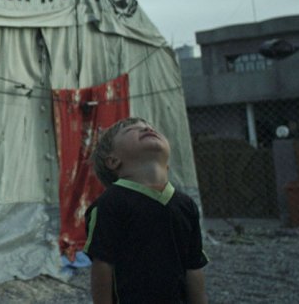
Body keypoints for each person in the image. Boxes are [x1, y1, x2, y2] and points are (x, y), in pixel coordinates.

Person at [84, 117, 208, 304]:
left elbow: (193, 266)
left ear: (167, 163)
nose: (147, 128)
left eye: (150, 127)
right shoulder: (110, 204)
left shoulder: (185, 205)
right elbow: (102, 264)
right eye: (132, 130)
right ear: (113, 160)